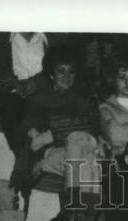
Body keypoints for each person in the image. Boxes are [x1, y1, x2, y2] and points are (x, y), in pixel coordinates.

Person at [17, 47, 101, 198]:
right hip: (49, 152)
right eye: (61, 71)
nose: (66, 76)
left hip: (75, 155)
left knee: (89, 153)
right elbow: (34, 138)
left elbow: (93, 133)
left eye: (71, 71)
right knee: (80, 147)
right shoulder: (36, 100)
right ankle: (82, 200)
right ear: (51, 74)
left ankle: (80, 201)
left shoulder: (84, 104)